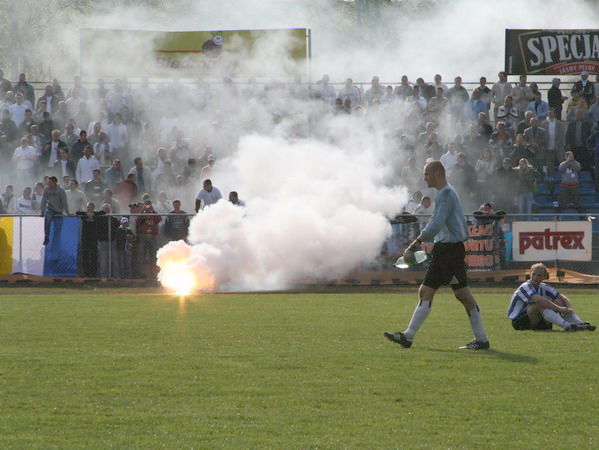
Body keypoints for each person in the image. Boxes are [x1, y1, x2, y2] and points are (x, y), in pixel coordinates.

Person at [384, 161, 490, 350]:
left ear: (437, 174)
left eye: (426, 174)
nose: (424, 177)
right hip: (445, 250)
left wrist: (415, 243)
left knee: (461, 295)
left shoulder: (446, 193)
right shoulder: (445, 193)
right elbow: (437, 222)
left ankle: (481, 339)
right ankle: (408, 336)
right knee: (430, 292)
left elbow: (436, 223)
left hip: (450, 251)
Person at [508, 263, 595, 331]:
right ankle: (567, 325)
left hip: (536, 320)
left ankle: (580, 324)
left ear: (544, 277)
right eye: (533, 274)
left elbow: (563, 298)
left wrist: (569, 308)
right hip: (519, 322)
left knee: (559, 301)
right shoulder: (525, 286)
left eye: (539, 275)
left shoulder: (543, 286)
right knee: (539, 304)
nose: (535, 277)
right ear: (530, 274)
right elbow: (538, 299)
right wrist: (559, 308)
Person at [39, 176, 70, 246]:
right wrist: (42, 211)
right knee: (47, 220)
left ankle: (56, 241)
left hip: (59, 209)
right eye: (48, 182)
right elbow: (43, 200)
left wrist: (67, 211)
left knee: (58, 227)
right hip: (50, 208)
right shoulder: (46, 189)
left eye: (50, 182)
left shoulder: (61, 190)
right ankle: (46, 237)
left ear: (54, 182)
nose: (48, 184)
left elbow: (64, 201)